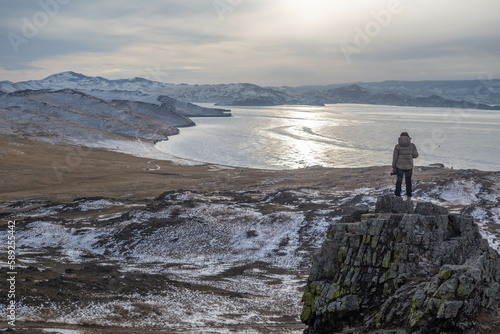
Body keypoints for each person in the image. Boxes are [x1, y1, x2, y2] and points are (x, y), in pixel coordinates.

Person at [392, 131, 419, 200]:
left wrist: (393, 167)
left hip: (399, 166)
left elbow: (395, 157)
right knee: (408, 181)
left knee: (399, 181)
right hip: (409, 166)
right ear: (408, 137)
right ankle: (409, 196)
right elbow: (416, 155)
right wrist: (410, 155)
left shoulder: (397, 146)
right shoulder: (412, 145)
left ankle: (397, 195)